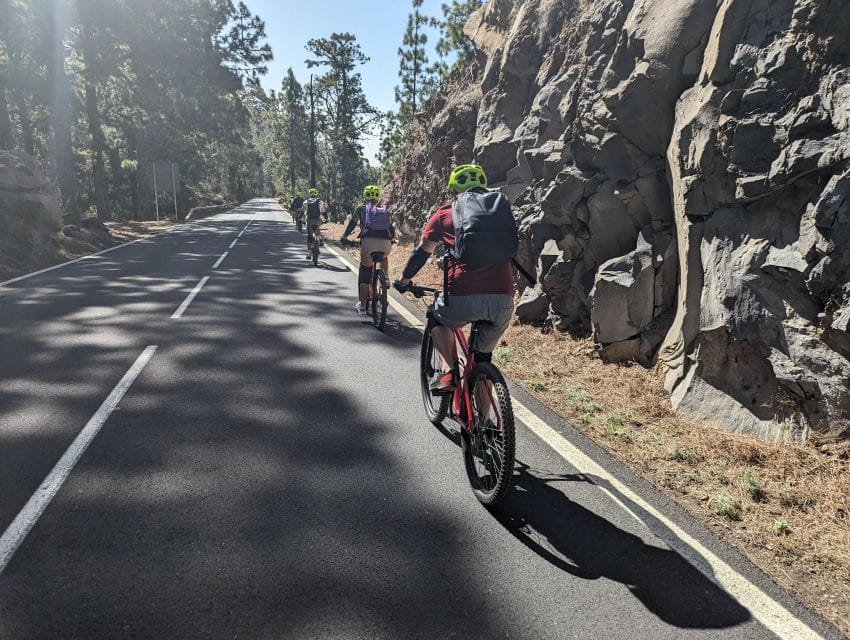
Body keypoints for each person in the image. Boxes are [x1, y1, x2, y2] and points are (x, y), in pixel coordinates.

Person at [396, 164, 517, 393]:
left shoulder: (445, 213)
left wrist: (404, 279)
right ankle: (488, 425)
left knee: (435, 317)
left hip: (462, 297)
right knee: (482, 361)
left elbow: (422, 252)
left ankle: (448, 371)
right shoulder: (501, 211)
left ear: (455, 188)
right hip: (503, 299)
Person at [343, 185, 396, 314]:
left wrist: (344, 236)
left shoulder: (361, 208)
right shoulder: (383, 209)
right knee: (384, 256)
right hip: (385, 244)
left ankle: (362, 306)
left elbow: (352, 224)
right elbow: (391, 229)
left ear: (365, 195)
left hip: (368, 244)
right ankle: (386, 278)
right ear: (378, 196)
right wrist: (392, 239)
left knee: (365, 270)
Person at [301, 188, 328, 259]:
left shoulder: (305, 202)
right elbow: (324, 212)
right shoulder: (321, 202)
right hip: (318, 219)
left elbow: (303, 212)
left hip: (309, 220)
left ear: (309, 194)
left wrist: (302, 220)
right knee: (317, 227)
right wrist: (326, 219)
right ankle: (319, 239)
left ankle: (309, 254)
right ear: (316, 193)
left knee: (310, 236)